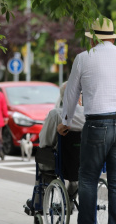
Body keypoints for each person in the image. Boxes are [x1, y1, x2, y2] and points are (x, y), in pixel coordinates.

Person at [57, 17, 116, 224]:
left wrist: (65, 122)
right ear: (112, 37)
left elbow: (71, 94)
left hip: (97, 124)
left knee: (88, 177)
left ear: (93, 39)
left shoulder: (83, 58)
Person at [26, 81, 85, 212]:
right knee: (76, 174)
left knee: (43, 165)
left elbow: (45, 141)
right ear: (79, 97)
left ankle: (38, 204)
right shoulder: (89, 115)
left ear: (63, 97)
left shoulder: (56, 114)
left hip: (62, 162)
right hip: (86, 161)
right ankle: (69, 200)